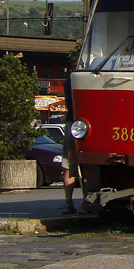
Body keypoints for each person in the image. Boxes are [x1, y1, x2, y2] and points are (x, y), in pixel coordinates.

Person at [61, 67, 77, 214]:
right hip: (87, 124)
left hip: (71, 124)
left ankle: (68, 202)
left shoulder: (68, 82)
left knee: (69, 164)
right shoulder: (84, 78)